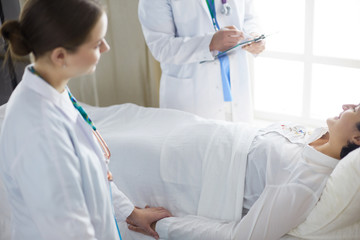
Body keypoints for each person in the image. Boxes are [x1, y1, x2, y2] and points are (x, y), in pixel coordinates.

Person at [0, 0, 170, 239]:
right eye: (96, 43)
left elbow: (92, 176)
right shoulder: (38, 128)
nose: (106, 48)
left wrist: (131, 213)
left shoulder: (56, 90)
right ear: (60, 55)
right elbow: (67, 229)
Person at [98, 102, 360, 239]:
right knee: (101, 130)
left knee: (99, 156)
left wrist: (162, 225)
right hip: (188, 131)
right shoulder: (319, 137)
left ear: (357, 140)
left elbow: (242, 235)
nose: (347, 106)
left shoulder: (305, 181)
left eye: (355, 109)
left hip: (179, 165)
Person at [138, 0, 265, 122]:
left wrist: (254, 35)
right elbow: (162, 47)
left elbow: (249, 16)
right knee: (194, 141)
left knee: (239, 141)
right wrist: (210, 43)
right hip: (193, 96)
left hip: (236, 90)